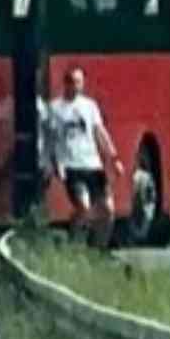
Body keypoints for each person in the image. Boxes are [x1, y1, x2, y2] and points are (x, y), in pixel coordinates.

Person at [48, 66, 125, 248]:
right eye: (72, 82)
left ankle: (99, 249)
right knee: (83, 207)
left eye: (79, 82)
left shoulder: (89, 106)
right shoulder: (55, 109)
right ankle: (72, 239)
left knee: (108, 210)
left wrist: (114, 158)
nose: (76, 87)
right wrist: (55, 163)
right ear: (65, 83)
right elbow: (51, 139)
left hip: (93, 165)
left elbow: (100, 132)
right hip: (72, 166)